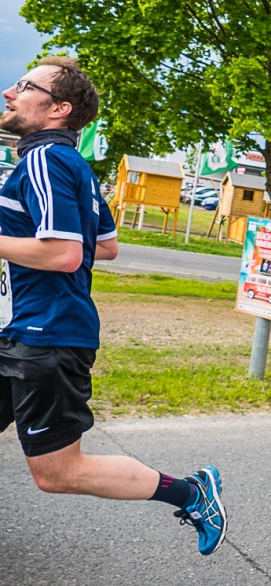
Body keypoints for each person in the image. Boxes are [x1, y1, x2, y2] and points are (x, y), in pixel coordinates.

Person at [0, 58, 226, 555]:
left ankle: (192, 493)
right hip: (22, 331)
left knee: (58, 473)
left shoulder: (44, 159)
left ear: (58, 109)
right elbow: (105, 245)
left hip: (46, 337)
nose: (9, 93)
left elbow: (64, 253)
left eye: (24, 86)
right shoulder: (69, 164)